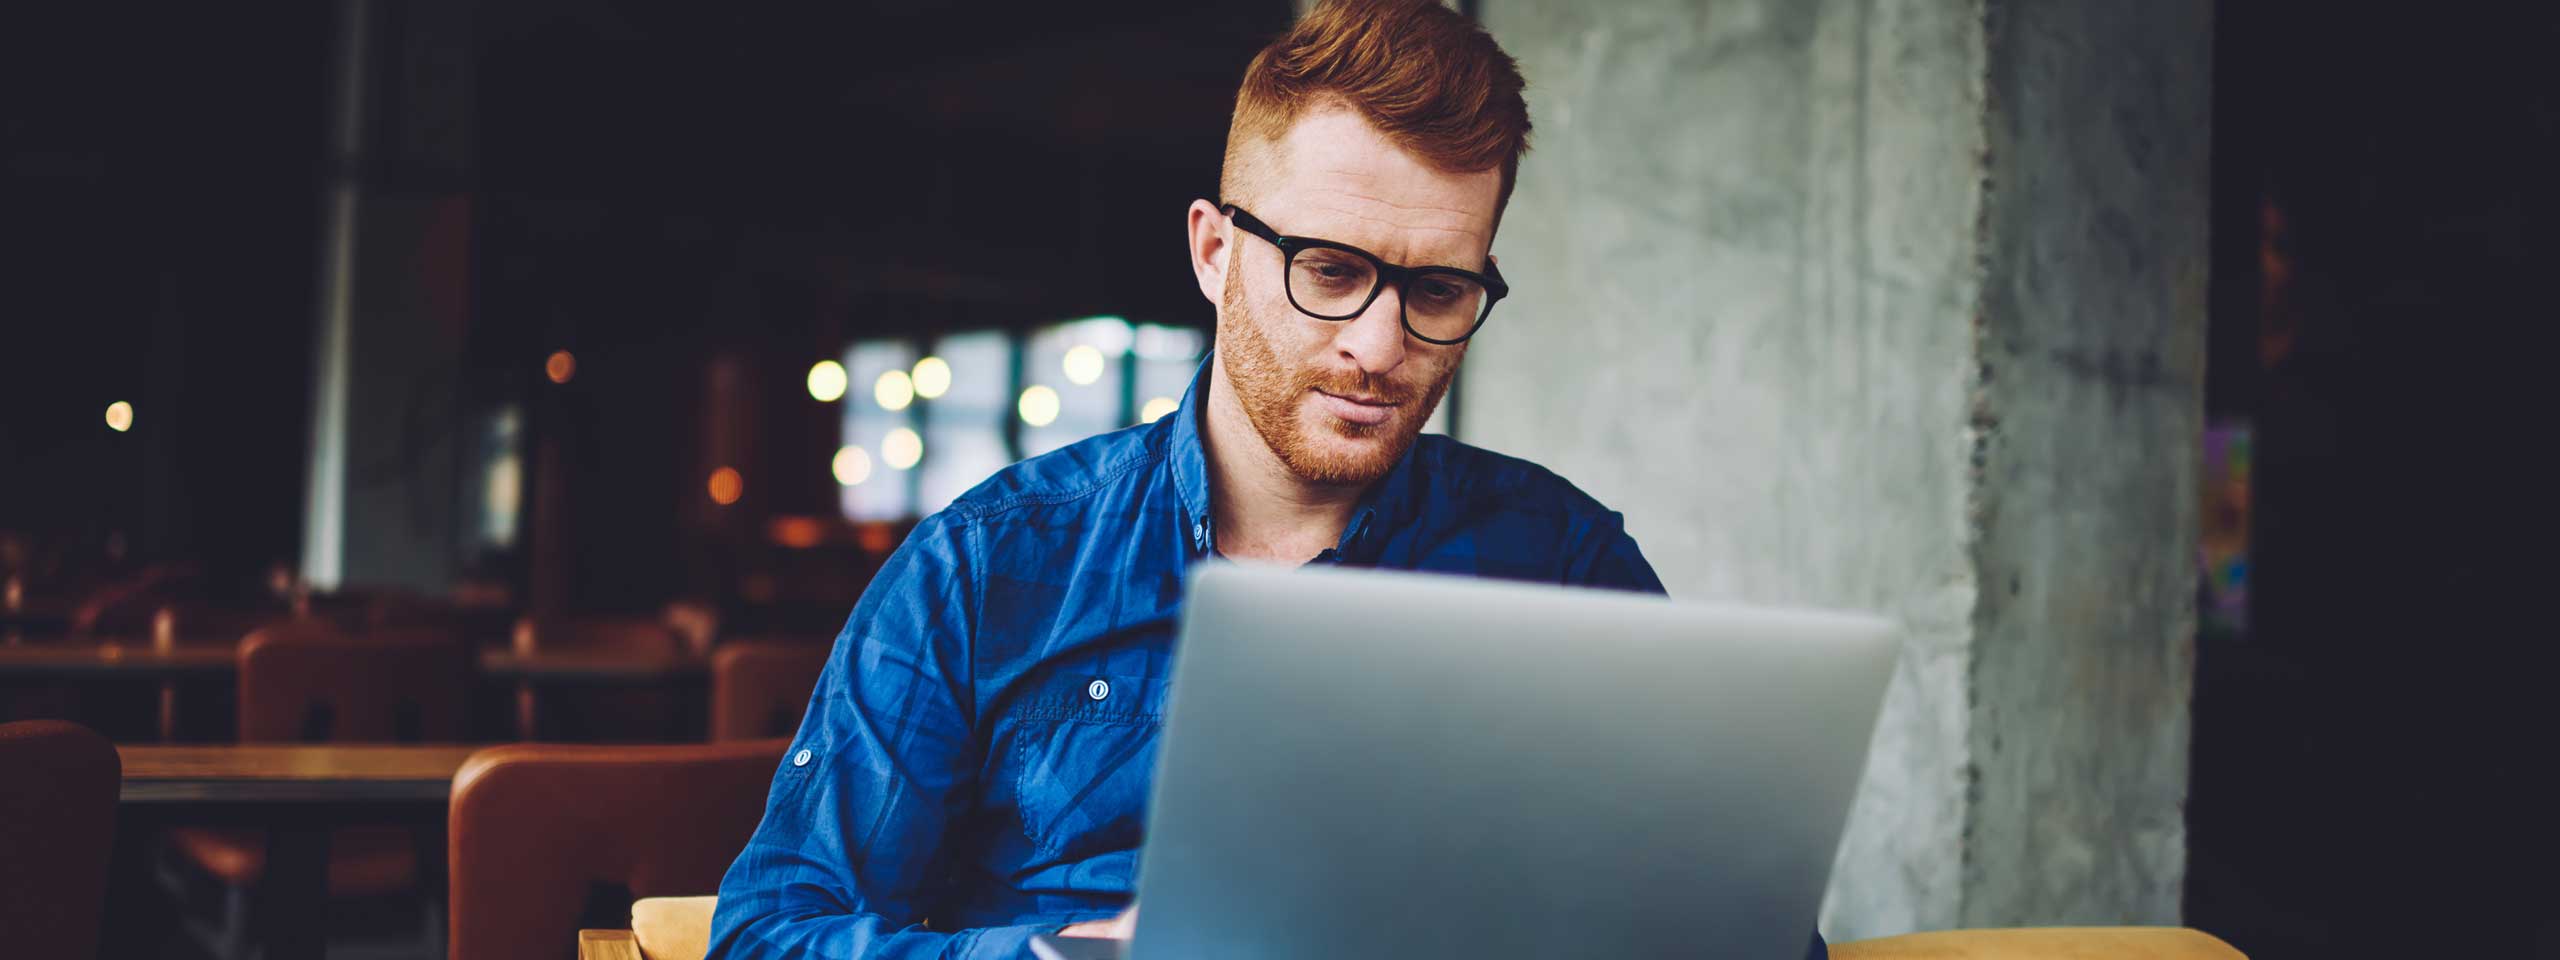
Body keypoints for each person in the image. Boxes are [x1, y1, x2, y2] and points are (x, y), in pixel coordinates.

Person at [708, 2, 1817, 956]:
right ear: (1214, 252)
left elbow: (1745, 934)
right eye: (1330, 271)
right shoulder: (992, 563)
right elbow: (767, 933)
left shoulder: (1562, 561)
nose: (1379, 346)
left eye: (1436, 291)